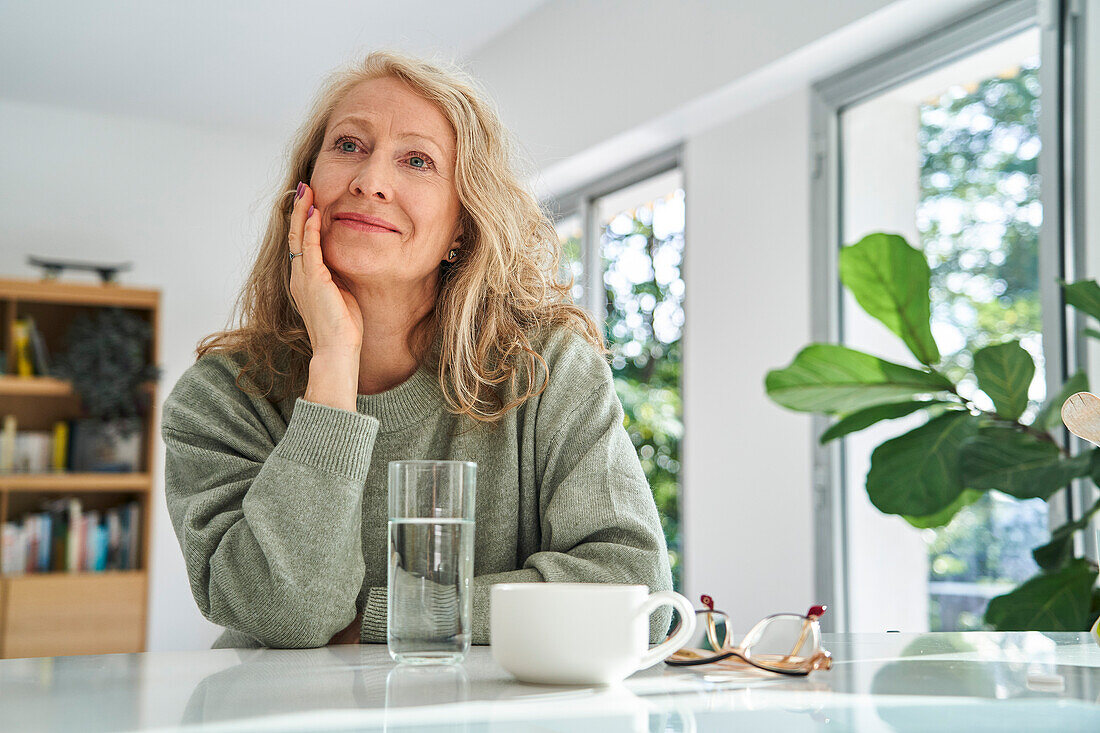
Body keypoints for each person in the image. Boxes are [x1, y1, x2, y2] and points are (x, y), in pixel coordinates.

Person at [162, 50, 673, 649]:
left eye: (416, 160)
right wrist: (332, 363)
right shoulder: (219, 399)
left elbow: (635, 595)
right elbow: (287, 613)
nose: (370, 180)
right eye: (348, 145)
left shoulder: (548, 368)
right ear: (305, 193)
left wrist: (383, 617)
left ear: (462, 225)